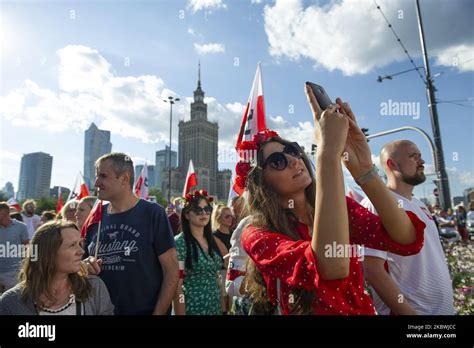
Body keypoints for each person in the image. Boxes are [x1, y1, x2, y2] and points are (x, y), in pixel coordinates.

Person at [238, 85, 426, 315]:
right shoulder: (255, 235)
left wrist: (364, 169)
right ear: (261, 183)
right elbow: (330, 266)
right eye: (278, 161)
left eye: (293, 150)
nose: (295, 160)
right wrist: (328, 152)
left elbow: (407, 238)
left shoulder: (339, 207)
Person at [362, 140, 455, 315]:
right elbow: (372, 269)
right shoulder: (376, 203)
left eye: (420, 156)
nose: (422, 161)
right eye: (414, 156)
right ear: (392, 164)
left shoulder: (420, 205)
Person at [82, 153, 179, 315]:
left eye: (103, 176)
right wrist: (85, 266)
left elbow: (171, 271)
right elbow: (78, 267)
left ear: (125, 178)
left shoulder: (153, 213)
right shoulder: (95, 217)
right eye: (96, 176)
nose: (96, 182)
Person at [0, 220, 114, 315]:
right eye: (72, 245)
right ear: (48, 253)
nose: (81, 251)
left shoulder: (94, 288)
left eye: (80, 244)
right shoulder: (11, 301)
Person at [172, 190, 228, 315]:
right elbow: (178, 288)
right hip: (193, 308)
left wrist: (223, 308)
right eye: (197, 209)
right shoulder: (180, 243)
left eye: (207, 209)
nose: (203, 213)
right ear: (187, 215)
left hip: (215, 308)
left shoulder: (212, 240)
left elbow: (217, 278)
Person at [0, 202, 29, 293]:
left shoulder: (21, 227)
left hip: (14, 272)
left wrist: (26, 268)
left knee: (12, 299)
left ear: (4, 214)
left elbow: (27, 247)